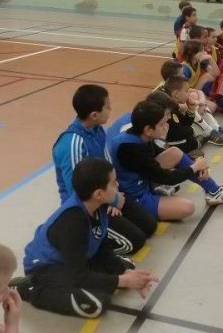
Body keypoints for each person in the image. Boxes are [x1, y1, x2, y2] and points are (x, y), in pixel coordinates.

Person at [16, 158, 158, 319]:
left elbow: (102, 248)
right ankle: (28, 289)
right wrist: (124, 281)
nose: (117, 185)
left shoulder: (99, 206)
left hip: (73, 260)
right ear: (98, 194)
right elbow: (79, 275)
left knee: (125, 267)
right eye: (113, 183)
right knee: (96, 304)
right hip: (45, 267)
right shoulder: (73, 221)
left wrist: (126, 273)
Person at [53, 85, 156, 256]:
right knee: (135, 241)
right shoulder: (74, 143)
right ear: (94, 115)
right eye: (107, 106)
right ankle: (83, 244)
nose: (111, 109)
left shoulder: (98, 129)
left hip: (105, 196)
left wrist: (115, 195)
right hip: (87, 209)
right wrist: (110, 201)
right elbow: (78, 191)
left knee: (149, 225)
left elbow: (109, 168)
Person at [108, 101, 223, 221]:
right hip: (135, 196)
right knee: (187, 208)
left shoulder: (140, 135)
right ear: (148, 129)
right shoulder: (129, 148)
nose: (166, 126)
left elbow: (160, 155)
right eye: (162, 124)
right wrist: (194, 168)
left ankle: (214, 191)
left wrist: (197, 164)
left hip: (144, 180)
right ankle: (141, 211)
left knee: (174, 152)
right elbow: (167, 177)